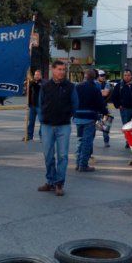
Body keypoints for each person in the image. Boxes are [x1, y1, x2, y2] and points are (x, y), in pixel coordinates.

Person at [38, 60, 78, 197]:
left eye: (63, 69)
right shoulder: (45, 86)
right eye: (59, 69)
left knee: (63, 156)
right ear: (53, 70)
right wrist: (42, 120)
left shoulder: (70, 86)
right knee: (48, 155)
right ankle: (50, 181)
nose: (62, 72)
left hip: (63, 126)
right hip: (47, 126)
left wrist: (67, 115)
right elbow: (40, 104)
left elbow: (75, 104)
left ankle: (59, 183)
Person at [74, 69, 108, 172]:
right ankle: (83, 165)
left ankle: (77, 163)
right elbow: (100, 103)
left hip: (78, 117)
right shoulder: (95, 88)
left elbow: (73, 101)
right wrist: (105, 112)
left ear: (85, 76)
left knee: (80, 140)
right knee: (87, 142)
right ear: (94, 78)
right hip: (89, 118)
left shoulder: (78, 86)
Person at [111, 69, 132, 149]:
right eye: (125, 75)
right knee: (127, 127)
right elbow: (114, 97)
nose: (127, 77)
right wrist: (118, 105)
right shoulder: (119, 85)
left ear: (131, 76)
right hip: (125, 110)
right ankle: (129, 142)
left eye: (128, 75)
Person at [96, 70, 112, 147]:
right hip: (95, 109)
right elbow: (102, 93)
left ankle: (106, 141)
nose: (103, 77)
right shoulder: (94, 83)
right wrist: (101, 91)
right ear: (97, 76)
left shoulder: (107, 84)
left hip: (104, 108)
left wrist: (97, 92)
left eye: (104, 75)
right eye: (101, 75)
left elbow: (105, 93)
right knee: (92, 127)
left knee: (105, 126)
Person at [25, 69, 42, 141]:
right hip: (32, 106)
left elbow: (37, 86)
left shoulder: (43, 83)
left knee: (42, 122)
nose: (36, 76)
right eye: (35, 74)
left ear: (40, 76)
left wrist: (31, 80)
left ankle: (42, 136)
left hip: (40, 106)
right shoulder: (31, 83)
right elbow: (29, 93)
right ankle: (29, 136)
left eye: (38, 75)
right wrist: (28, 103)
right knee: (31, 122)